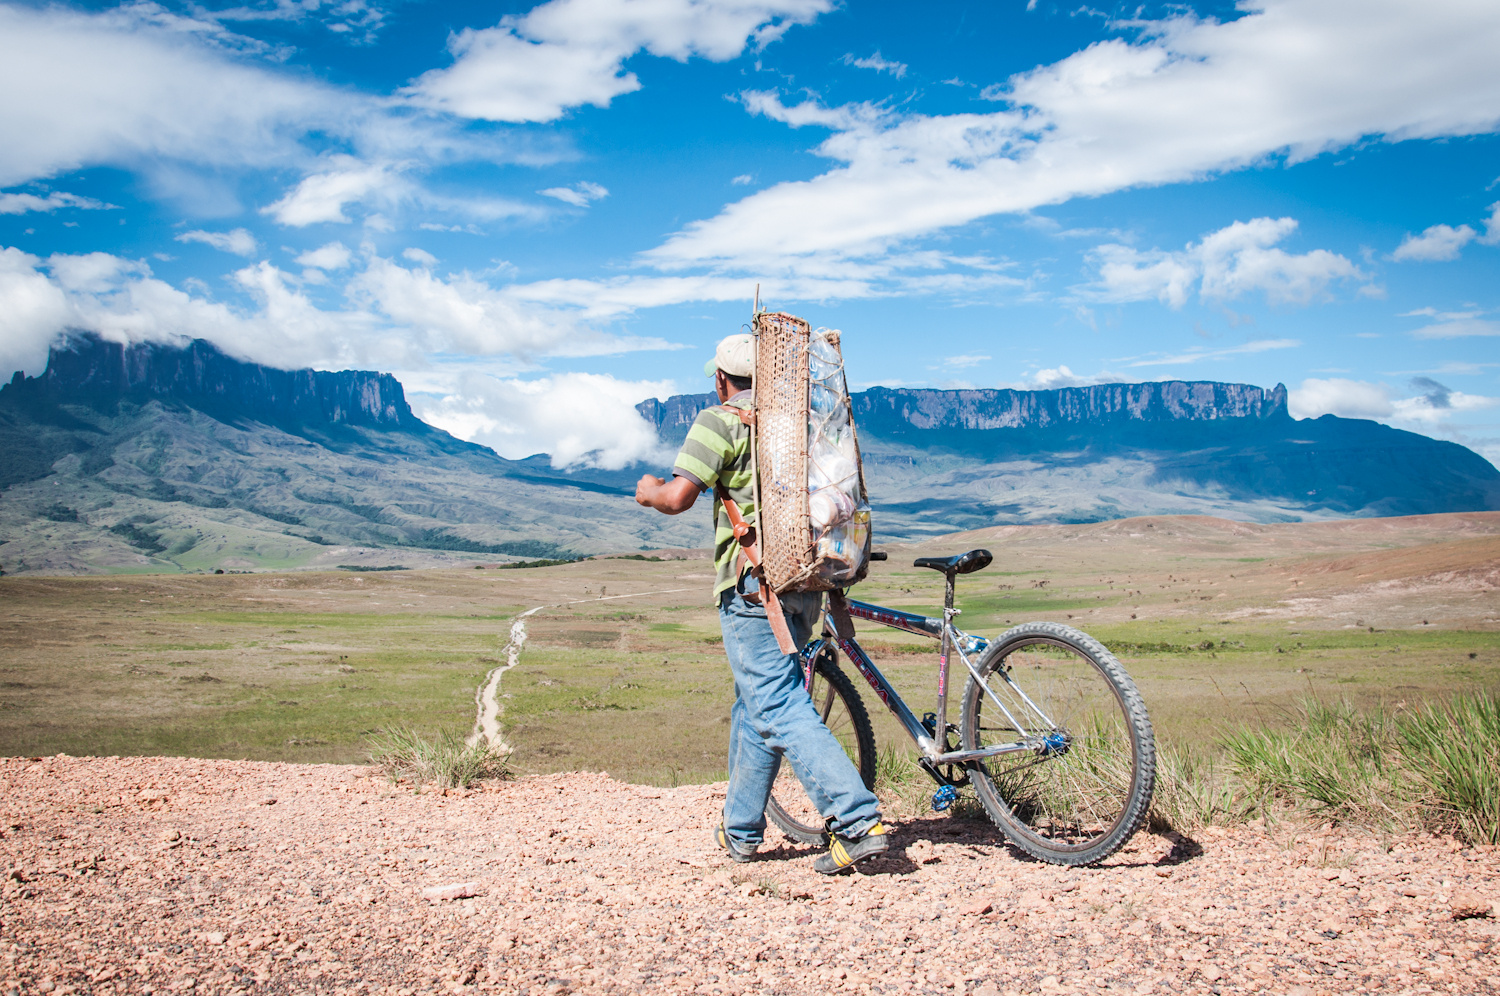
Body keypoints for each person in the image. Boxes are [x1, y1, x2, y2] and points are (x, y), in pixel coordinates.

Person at [635, 333, 888, 875]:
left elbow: (679, 497)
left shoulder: (719, 420)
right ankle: (741, 831)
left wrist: (648, 488)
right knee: (757, 702)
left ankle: (856, 820)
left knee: (774, 702)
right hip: (806, 583)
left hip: (753, 588)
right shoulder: (796, 423)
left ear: (722, 379)